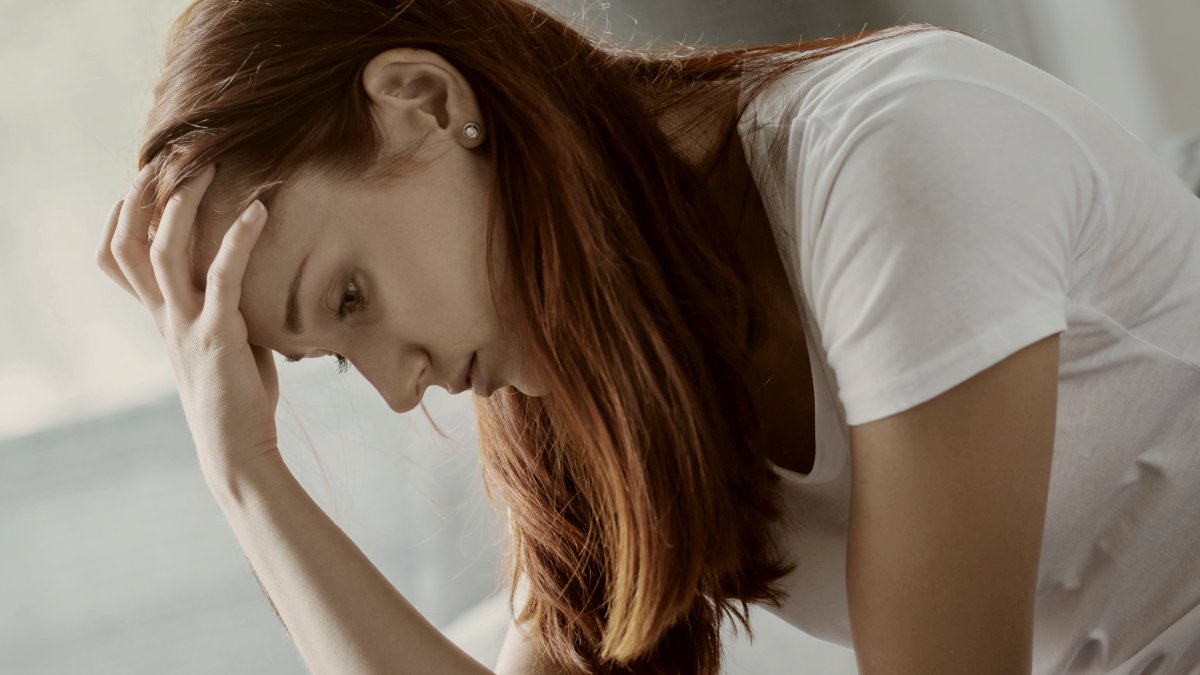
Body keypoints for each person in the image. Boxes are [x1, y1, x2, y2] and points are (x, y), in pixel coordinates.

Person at [94, 1, 1200, 673]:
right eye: (334, 356)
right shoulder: (604, 377)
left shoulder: (893, 159)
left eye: (349, 299)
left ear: (424, 102)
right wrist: (246, 475)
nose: (398, 388)